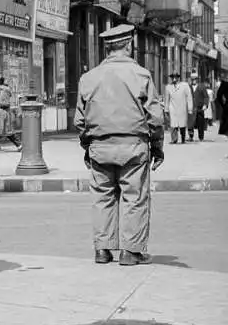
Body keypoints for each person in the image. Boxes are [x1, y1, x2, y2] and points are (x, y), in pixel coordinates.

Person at [74, 24, 164, 266]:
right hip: (133, 146)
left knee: (102, 197)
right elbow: (155, 119)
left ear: (107, 49)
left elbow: (80, 120)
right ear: (129, 45)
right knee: (134, 198)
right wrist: (157, 147)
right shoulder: (142, 75)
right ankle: (131, 252)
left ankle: (102, 250)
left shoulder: (88, 78)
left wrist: (87, 147)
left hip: (99, 146)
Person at [0, 75, 22, 154]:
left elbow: (6, 103)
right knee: (7, 131)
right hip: (2, 112)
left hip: (3, 113)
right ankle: (19, 145)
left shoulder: (4, 90)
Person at [163, 72, 191, 144]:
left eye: (176, 77)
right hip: (172, 107)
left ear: (179, 78)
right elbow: (166, 99)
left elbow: (189, 97)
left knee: (182, 124)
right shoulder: (168, 87)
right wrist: (166, 109)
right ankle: (174, 139)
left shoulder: (185, 85)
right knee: (173, 124)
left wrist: (190, 108)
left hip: (182, 107)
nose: (174, 79)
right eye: (172, 77)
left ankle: (183, 138)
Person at [191, 74, 210, 142]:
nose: (194, 80)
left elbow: (206, 96)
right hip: (191, 108)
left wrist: (205, 104)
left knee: (200, 123)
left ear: (197, 79)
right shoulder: (189, 86)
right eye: (192, 79)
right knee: (191, 123)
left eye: (195, 79)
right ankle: (191, 136)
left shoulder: (202, 86)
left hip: (200, 108)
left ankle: (201, 137)